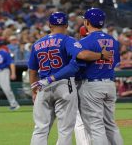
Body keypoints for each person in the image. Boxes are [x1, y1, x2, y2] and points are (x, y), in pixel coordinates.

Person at [31, 8, 123, 145]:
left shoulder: (84, 42)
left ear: (86, 22)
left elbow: (75, 64)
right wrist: (102, 57)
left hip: (86, 84)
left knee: (41, 128)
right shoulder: (114, 41)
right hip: (108, 83)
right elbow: (114, 61)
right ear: (66, 25)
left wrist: (43, 83)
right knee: (109, 125)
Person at [0, 39, 20, 110]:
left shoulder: (4, 53)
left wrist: (13, 73)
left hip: (3, 71)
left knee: (7, 89)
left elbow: (11, 63)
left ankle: (14, 104)